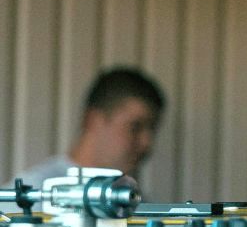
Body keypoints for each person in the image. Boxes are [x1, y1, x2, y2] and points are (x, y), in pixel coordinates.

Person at [5, 67, 164, 192]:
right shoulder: (32, 194)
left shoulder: (131, 198)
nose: (146, 143)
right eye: (135, 127)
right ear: (93, 120)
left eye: (153, 129)